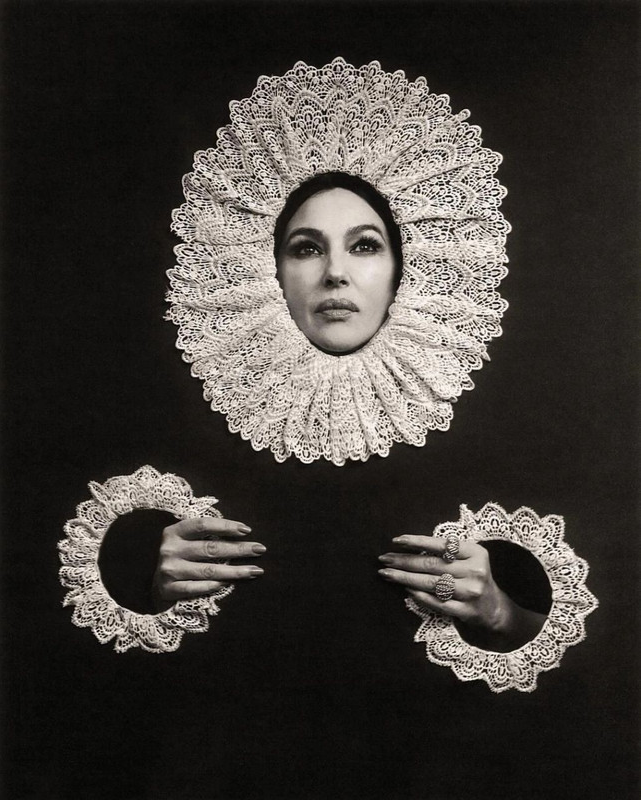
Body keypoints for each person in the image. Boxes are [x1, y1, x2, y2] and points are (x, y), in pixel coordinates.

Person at [153, 170, 547, 652]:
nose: (335, 272)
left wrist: (500, 613)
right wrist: (158, 594)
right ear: (269, 270)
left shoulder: (504, 423)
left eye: (364, 246)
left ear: (404, 268)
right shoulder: (197, 408)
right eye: (306, 249)